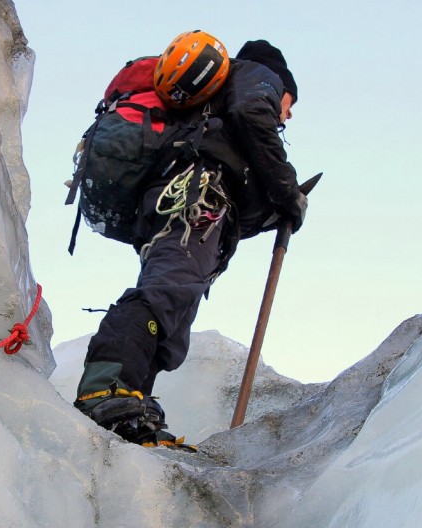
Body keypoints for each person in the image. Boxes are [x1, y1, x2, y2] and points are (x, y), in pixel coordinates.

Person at [74, 33, 306, 447]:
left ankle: (131, 410)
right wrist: (288, 190)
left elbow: (237, 168)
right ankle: (106, 389)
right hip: (193, 195)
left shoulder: (212, 109)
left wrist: (275, 208)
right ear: (283, 87)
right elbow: (253, 113)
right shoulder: (259, 74)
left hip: (178, 202)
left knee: (173, 311)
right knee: (166, 292)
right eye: (290, 104)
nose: (286, 116)